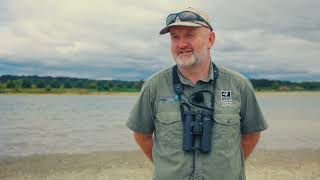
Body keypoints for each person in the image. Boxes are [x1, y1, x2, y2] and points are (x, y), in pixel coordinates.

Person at [126, 7, 268, 180]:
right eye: (175, 37)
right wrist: (167, 168)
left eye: (189, 35)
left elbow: (251, 135)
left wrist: (226, 169)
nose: (181, 44)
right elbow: (142, 135)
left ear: (211, 39)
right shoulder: (154, 86)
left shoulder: (239, 85)